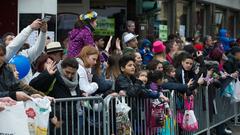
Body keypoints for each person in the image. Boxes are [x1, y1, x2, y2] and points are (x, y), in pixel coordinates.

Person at [30, 57, 87, 135]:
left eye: (73, 73)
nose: (70, 76)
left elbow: (73, 92)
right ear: (62, 68)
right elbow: (32, 85)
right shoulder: (53, 74)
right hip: (55, 118)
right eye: (67, 72)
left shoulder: (77, 77)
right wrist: (46, 74)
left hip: (72, 117)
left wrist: (81, 93)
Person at [3, 19, 47, 84]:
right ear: (4, 44)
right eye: (10, 39)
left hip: (28, 91)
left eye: (14, 38)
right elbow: (15, 45)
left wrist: (43, 32)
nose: (14, 40)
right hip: (12, 92)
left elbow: (39, 48)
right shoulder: (4, 56)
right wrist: (31, 27)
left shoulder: (25, 54)